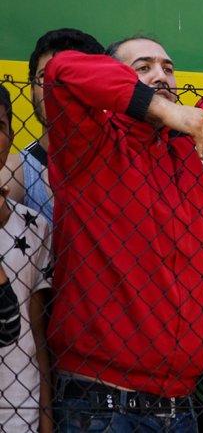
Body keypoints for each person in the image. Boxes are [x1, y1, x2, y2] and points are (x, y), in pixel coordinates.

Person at [42, 36, 203, 432]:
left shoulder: (190, 152)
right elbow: (63, 70)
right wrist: (160, 108)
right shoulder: (89, 145)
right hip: (102, 403)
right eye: (143, 68)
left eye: (168, 68)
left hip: (180, 405)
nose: (161, 75)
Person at [0, 28, 104, 224]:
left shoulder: (124, 162)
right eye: (45, 76)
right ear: (31, 91)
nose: (60, 88)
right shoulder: (17, 170)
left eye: (75, 75)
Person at [0, 83, 54, 432]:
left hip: (20, 408)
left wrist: (46, 416)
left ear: (11, 136)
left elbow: (34, 329)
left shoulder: (36, 227)